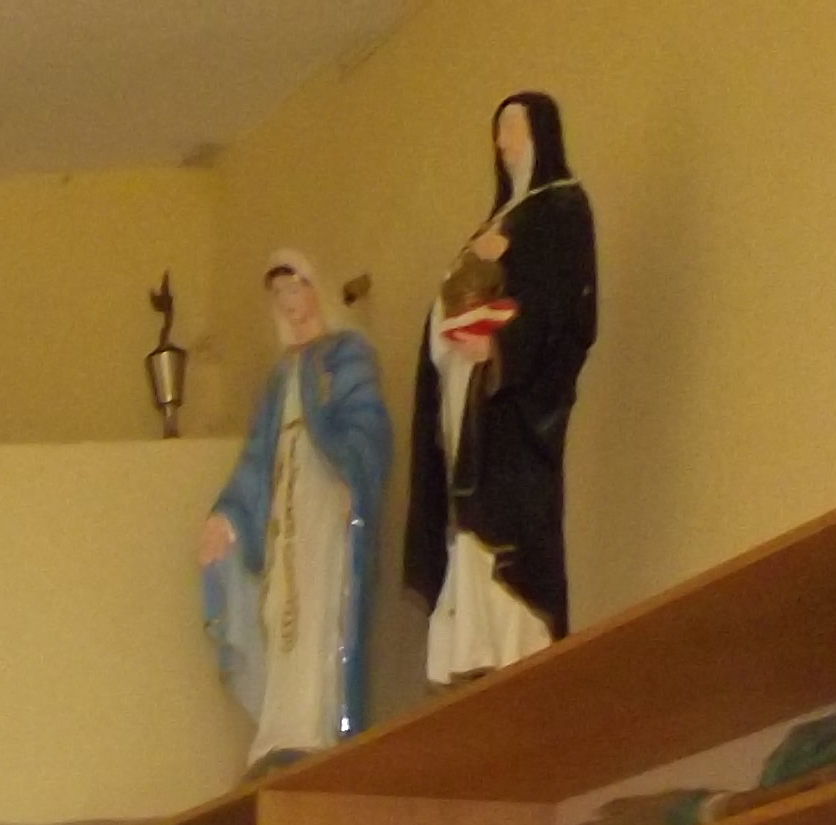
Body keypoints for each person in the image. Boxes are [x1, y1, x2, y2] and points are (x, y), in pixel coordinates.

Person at [408, 90, 597, 682]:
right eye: (498, 132)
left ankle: (517, 642)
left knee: (511, 527)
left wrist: (501, 349)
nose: (503, 143)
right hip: (470, 403)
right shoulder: (493, 224)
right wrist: (450, 337)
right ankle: (475, 648)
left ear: (542, 134)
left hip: (517, 412)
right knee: (467, 525)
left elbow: (561, 306)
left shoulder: (561, 210)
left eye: (513, 129)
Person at [199, 251, 391, 768]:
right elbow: (256, 458)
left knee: (319, 599)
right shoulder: (279, 376)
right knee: (279, 602)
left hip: (326, 496)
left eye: (295, 289)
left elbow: (368, 425)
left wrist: (351, 474)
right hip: (285, 501)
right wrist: (227, 516)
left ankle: (316, 721)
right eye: (279, 295)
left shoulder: (346, 354)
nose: (289, 303)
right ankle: (282, 724)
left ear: (315, 290)